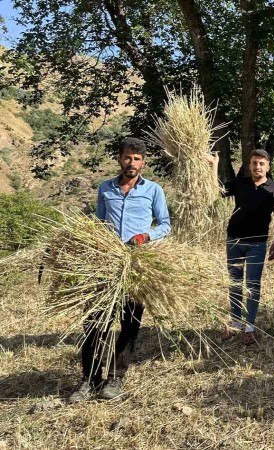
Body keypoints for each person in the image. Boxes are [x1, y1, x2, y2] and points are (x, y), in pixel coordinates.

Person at [68, 137, 171, 403]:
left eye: (137, 159)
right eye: (127, 157)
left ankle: (115, 377)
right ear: (119, 159)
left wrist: (144, 237)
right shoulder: (105, 188)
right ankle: (89, 380)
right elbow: (99, 223)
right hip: (105, 264)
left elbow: (165, 225)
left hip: (136, 265)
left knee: (129, 323)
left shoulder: (153, 190)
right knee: (95, 323)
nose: (131, 163)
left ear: (143, 163)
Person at [208, 149, 274, 345]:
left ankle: (250, 327)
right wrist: (214, 164)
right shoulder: (240, 183)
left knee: (252, 285)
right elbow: (216, 190)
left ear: (268, 166)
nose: (257, 167)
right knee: (234, 283)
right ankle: (235, 322)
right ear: (249, 165)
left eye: (261, 163)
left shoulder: (273, 189)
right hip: (234, 240)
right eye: (254, 163)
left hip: (257, 244)